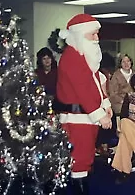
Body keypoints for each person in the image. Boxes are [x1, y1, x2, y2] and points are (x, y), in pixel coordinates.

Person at [56, 14, 113, 195]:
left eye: (97, 34)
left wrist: (105, 103)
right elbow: (82, 89)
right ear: (80, 35)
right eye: (93, 34)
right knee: (80, 160)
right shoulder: (71, 57)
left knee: (86, 157)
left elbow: (95, 81)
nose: (97, 39)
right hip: (77, 118)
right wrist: (99, 114)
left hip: (85, 117)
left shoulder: (83, 55)